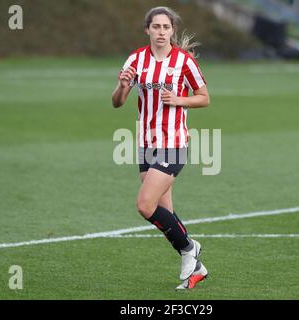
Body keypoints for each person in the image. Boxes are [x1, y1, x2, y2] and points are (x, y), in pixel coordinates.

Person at [111, 6, 210, 290]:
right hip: (146, 143)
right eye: (156, 27)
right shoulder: (136, 59)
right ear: (148, 30)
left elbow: (204, 98)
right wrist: (122, 86)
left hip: (174, 143)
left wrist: (179, 100)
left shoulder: (184, 61)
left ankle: (190, 249)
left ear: (172, 31)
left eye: (166, 27)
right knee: (165, 212)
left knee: (145, 204)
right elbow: (117, 102)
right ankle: (195, 265)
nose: (161, 32)